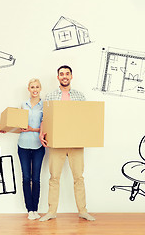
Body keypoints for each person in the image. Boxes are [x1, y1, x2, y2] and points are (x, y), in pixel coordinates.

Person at [39, 65, 95, 222]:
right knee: (54, 177)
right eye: (61, 74)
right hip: (57, 142)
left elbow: (86, 118)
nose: (64, 76)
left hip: (76, 142)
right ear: (58, 77)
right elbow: (45, 118)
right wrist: (41, 134)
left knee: (79, 177)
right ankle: (51, 211)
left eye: (67, 74)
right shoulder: (50, 96)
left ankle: (83, 211)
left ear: (71, 76)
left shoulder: (80, 96)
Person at [0, 78, 45, 220]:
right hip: (23, 145)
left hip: (38, 146)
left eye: (37, 87)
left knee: (36, 179)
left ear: (40, 88)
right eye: (32, 87)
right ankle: (29, 210)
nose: (35, 89)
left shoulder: (45, 106)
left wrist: (34, 129)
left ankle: (35, 209)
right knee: (26, 178)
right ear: (28, 89)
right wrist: (7, 129)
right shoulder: (23, 105)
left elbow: (46, 126)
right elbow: (19, 126)